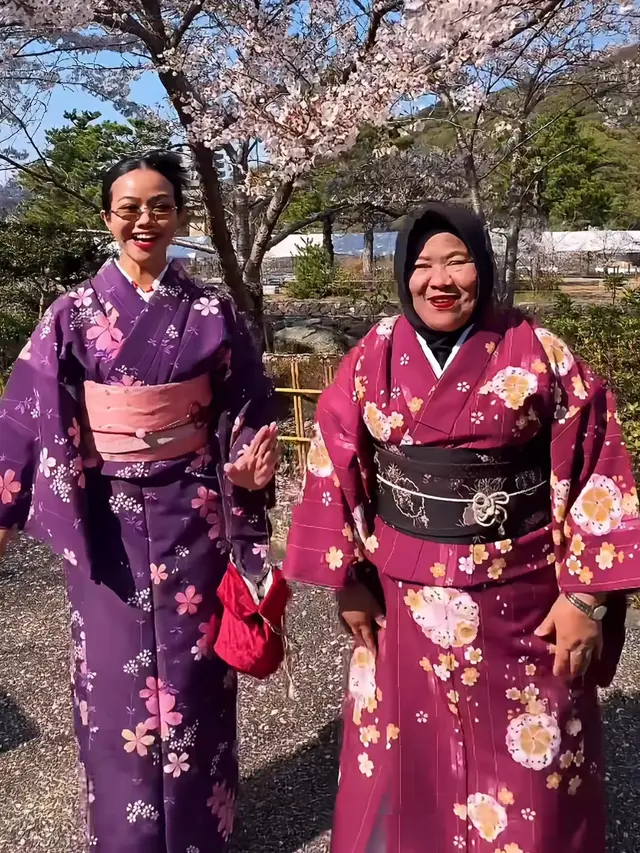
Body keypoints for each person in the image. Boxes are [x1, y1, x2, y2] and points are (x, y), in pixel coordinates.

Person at [283, 201, 640, 853]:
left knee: (533, 780)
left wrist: (587, 595)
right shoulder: (375, 354)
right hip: (402, 608)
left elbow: (598, 462)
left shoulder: (538, 351)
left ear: (485, 267)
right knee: (408, 779)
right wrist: (347, 581)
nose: (439, 280)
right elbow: (332, 456)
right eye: (421, 265)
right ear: (401, 275)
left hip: (525, 608)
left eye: (457, 261)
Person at [0, 151, 279, 853]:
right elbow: (26, 412)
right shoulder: (72, 314)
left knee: (196, 675)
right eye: (129, 207)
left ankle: (200, 828)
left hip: (197, 514)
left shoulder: (213, 310)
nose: (144, 220)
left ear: (180, 215)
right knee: (111, 685)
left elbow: (248, 406)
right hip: (107, 524)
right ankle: (123, 838)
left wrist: (246, 471)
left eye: (160, 205)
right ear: (107, 219)